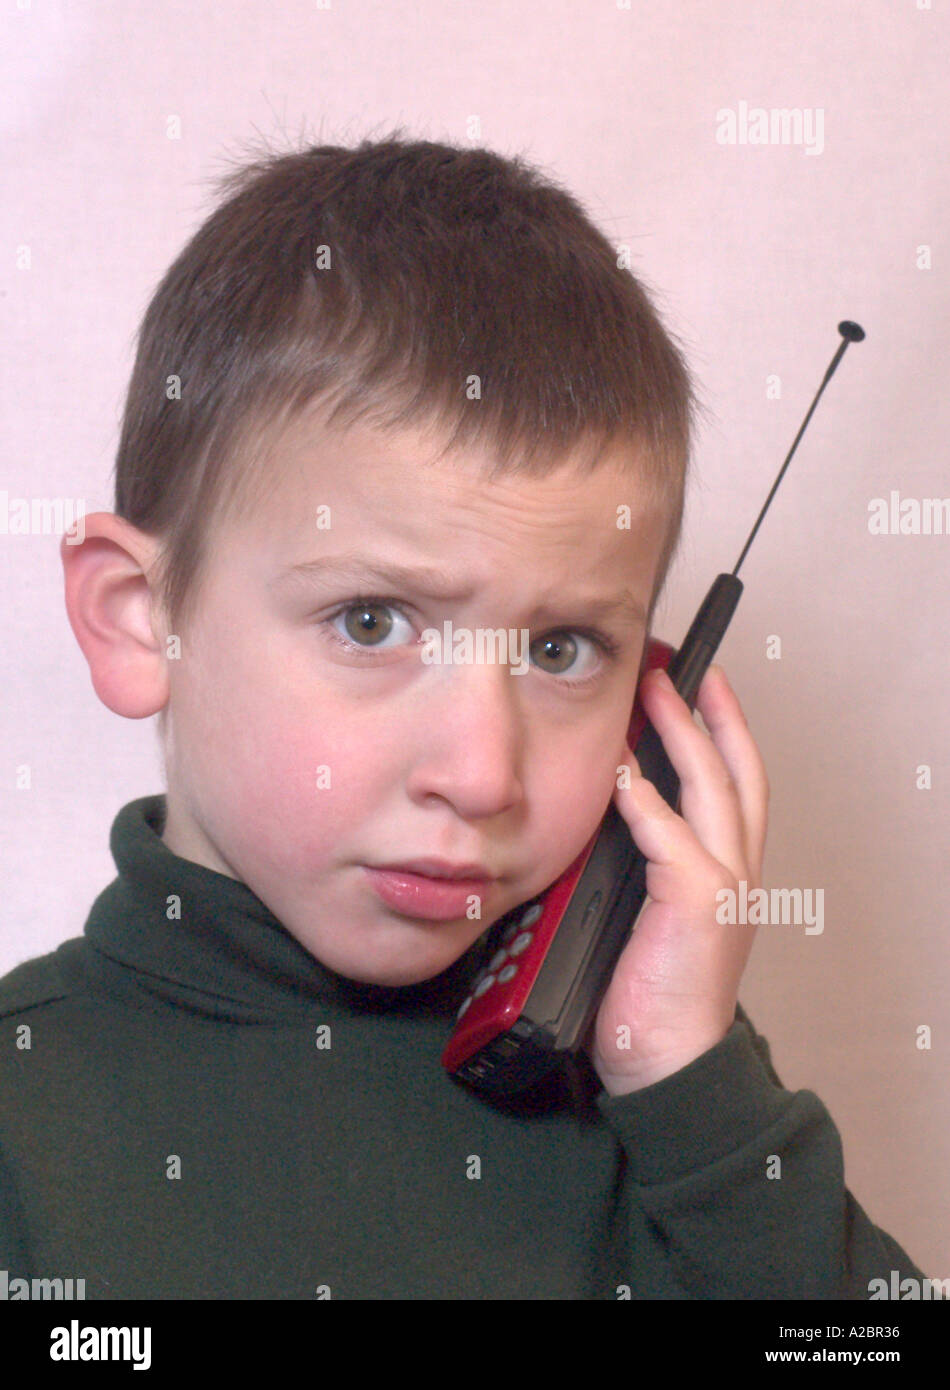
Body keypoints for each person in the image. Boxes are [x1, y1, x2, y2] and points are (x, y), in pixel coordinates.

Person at [0, 133, 927, 1299]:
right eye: (373, 623)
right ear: (143, 621)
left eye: (558, 649)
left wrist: (696, 1094)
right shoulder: (26, 1120)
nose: (483, 772)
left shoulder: (675, 1113)